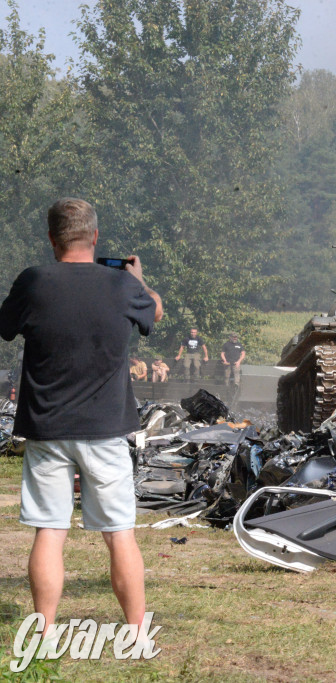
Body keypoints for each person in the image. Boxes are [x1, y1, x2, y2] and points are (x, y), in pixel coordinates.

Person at [0, 198, 163, 641]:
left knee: (49, 532)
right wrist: (138, 279)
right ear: (94, 237)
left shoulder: (32, 281)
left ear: (51, 239)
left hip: (47, 429)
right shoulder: (120, 285)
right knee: (119, 534)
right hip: (106, 428)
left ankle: (45, 633)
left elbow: (6, 325)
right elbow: (154, 312)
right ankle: (134, 633)